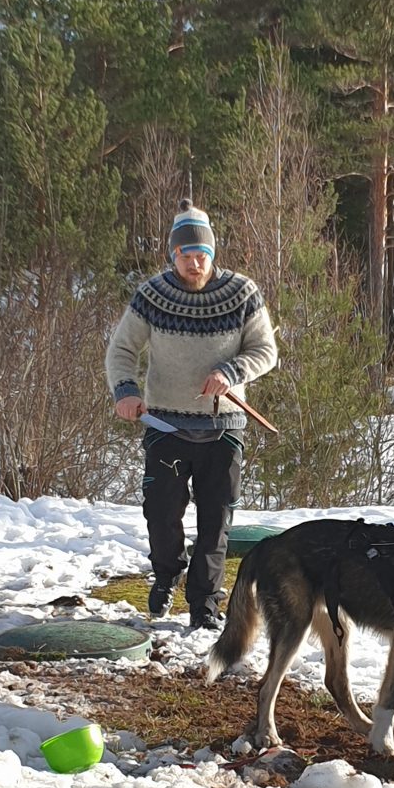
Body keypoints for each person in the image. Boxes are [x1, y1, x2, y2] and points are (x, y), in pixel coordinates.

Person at [105, 198, 277, 630]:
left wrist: (231, 370)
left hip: (223, 427)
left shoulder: (242, 292)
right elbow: (121, 350)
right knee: (162, 513)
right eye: (186, 255)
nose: (194, 263)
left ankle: (205, 604)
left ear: (212, 254)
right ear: (173, 255)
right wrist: (125, 392)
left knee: (216, 520)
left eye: (202, 254)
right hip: (165, 423)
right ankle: (166, 575)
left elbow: (265, 351)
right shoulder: (152, 294)